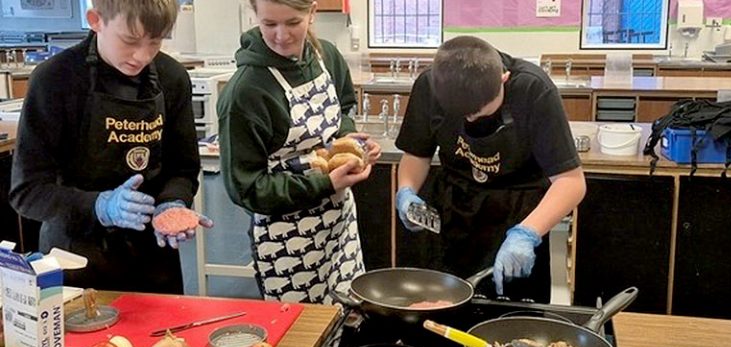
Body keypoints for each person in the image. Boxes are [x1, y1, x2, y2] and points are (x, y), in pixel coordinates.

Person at [9, 0, 211, 294]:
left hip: (152, 258)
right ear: (95, 20)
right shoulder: (56, 80)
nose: (142, 56)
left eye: (154, 42)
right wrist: (101, 206)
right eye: (129, 40)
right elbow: (27, 191)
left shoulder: (171, 78)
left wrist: (173, 202)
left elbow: (183, 167)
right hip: (76, 259)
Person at [395, 36, 586, 303]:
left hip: (519, 213)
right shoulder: (430, 84)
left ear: (504, 79)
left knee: (514, 321)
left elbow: (571, 181)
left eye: (479, 114)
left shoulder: (533, 89)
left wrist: (527, 233)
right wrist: (406, 190)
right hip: (454, 215)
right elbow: (417, 153)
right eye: (463, 116)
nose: (471, 120)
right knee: (445, 311)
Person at [218, 0, 381, 304]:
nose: (281, 35)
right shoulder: (246, 92)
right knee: (303, 338)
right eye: (269, 24)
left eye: (293, 23)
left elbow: (343, 108)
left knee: (350, 322)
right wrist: (325, 183)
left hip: (339, 225)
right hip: (286, 241)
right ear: (255, 17)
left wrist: (351, 141)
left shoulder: (326, 57)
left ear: (313, 12)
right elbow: (247, 188)